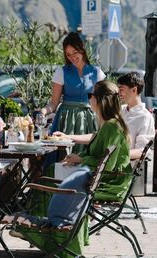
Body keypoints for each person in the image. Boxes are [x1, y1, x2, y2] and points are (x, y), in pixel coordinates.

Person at [17, 80, 132, 257]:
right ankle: (47, 226)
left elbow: (107, 165)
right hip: (98, 176)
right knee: (54, 169)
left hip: (105, 182)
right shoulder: (109, 124)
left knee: (49, 172)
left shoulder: (111, 126)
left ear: (100, 100)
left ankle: (45, 227)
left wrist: (80, 159)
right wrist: (80, 159)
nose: (89, 100)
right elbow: (101, 159)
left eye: (90, 96)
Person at [55, 72, 155, 160]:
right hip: (103, 165)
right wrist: (68, 137)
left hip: (115, 170)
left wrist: (113, 156)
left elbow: (142, 150)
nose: (118, 93)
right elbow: (100, 137)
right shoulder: (120, 110)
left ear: (134, 90)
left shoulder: (145, 117)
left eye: (121, 89)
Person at [40, 32, 106, 153]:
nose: (72, 57)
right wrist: (42, 112)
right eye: (68, 54)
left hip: (89, 120)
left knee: (88, 154)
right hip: (66, 120)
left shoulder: (97, 73)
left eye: (75, 52)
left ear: (82, 50)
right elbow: (54, 103)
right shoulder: (61, 72)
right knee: (64, 157)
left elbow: (103, 102)